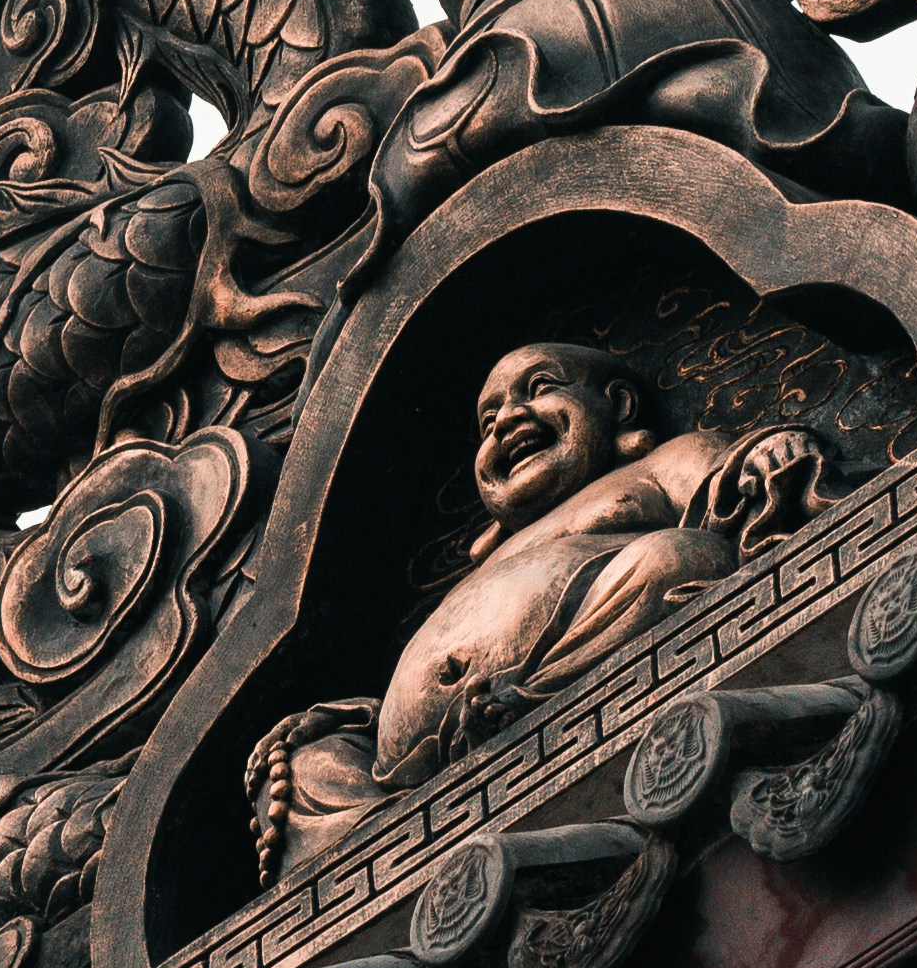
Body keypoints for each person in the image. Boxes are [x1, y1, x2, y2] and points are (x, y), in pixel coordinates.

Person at [249, 341, 824, 878]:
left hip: (568, 654)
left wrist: (768, 450)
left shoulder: (658, 464)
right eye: (487, 420)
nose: (505, 420)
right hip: (412, 769)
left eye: (538, 387)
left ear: (617, 405)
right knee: (306, 762)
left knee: (682, 557)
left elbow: (727, 483)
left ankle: (529, 705)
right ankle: (386, 847)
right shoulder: (486, 563)